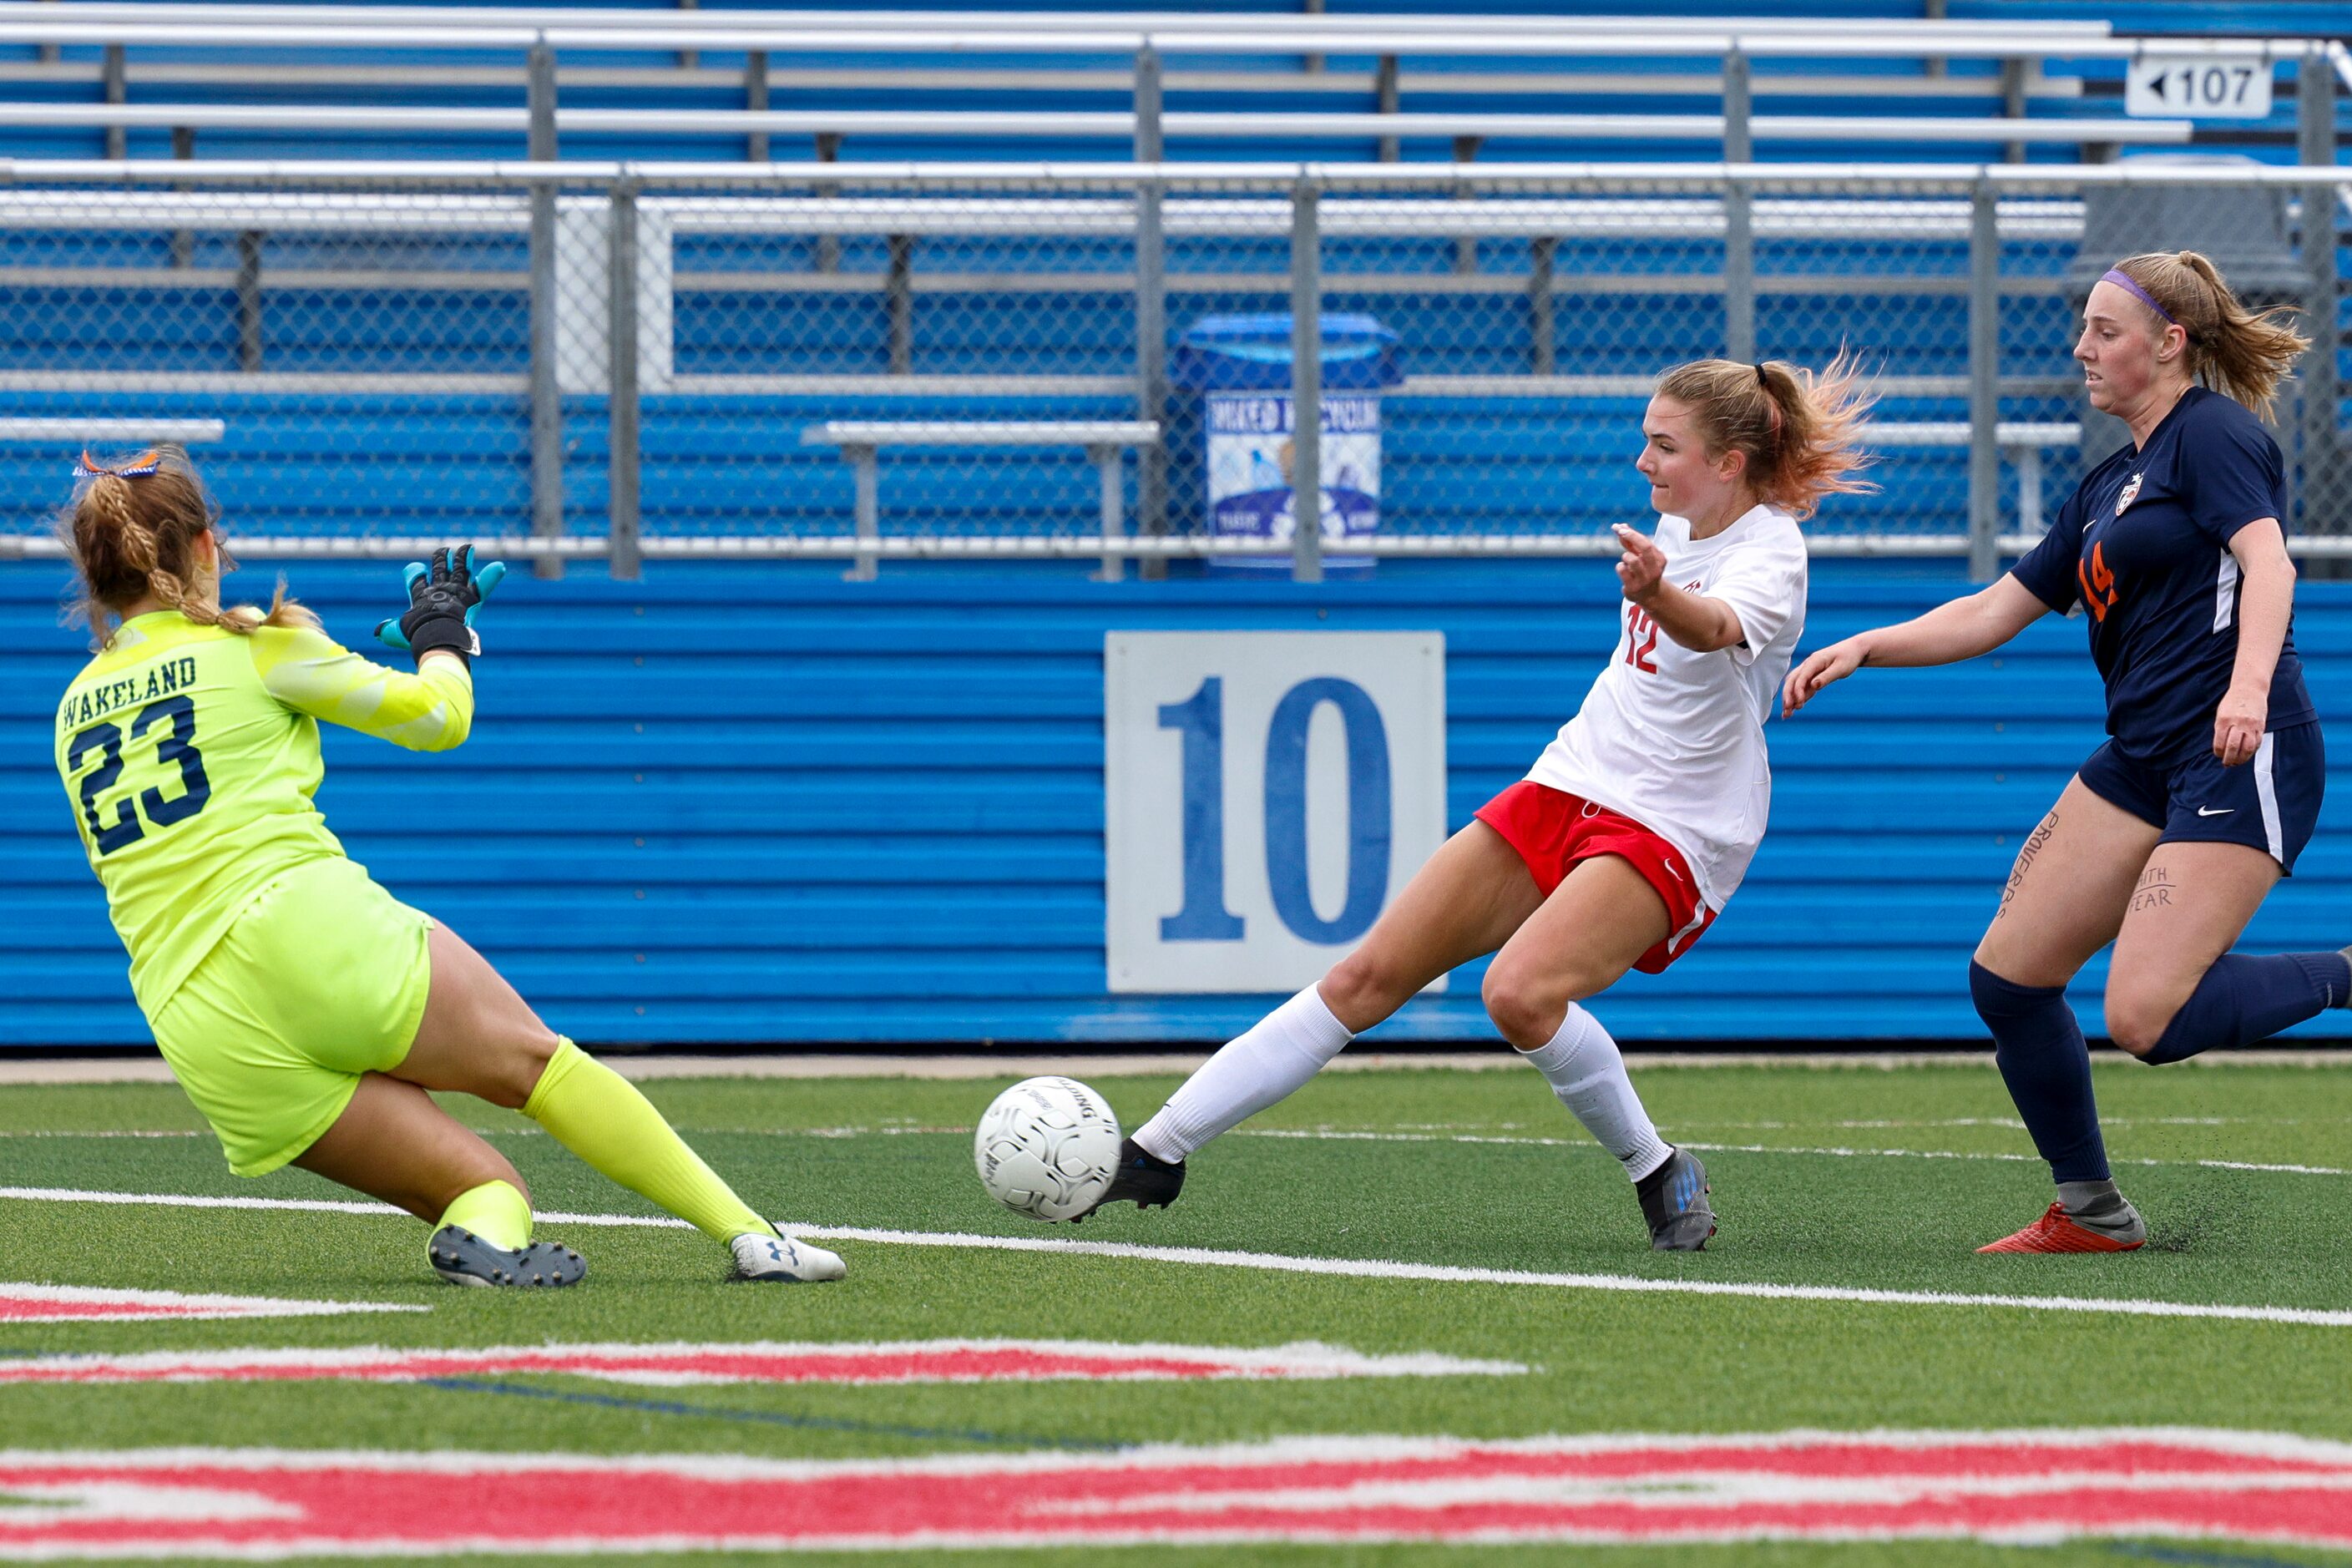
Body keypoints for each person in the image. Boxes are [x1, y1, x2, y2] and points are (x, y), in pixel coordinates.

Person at [1080, 357, 1874, 1248]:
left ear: (1729, 462)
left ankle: (1657, 1169)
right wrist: (1659, 578)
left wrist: (1659, 591)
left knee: (1518, 994)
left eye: (1663, 445)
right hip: (1572, 778)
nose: (1642, 462)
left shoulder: (1772, 549)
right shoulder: (1676, 521)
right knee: (1365, 977)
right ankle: (1159, 1148)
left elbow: (1719, 627)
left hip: (1676, 822)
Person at [49, 448, 844, 1288]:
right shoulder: (259, 643)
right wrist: (443, 637)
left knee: (485, 1188)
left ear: (96, 575)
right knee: (539, 1067)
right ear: (207, 544)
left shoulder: (72, 710)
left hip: (198, 1024)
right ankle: (755, 1237)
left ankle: (482, 1243)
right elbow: (437, 717)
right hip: (303, 929)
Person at [1783, 250, 2345, 1254]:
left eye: (2106, 332)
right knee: (2009, 978)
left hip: (2235, 748)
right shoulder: (2107, 482)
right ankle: (2091, 1210)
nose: (2082, 349)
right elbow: (2000, 609)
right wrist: (1870, 644)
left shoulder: (2211, 435)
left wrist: (2250, 686)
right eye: (2084, 329)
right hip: (2142, 754)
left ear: (2172, 344)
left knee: (2145, 1018)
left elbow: (2270, 561)